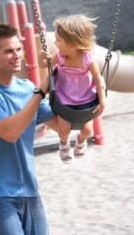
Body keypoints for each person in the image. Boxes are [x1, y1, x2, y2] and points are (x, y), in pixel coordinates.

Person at [0, 23, 58, 235]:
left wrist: (85, 92)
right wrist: (41, 91)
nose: (16, 55)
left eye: (18, 49)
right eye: (8, 51)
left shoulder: (26, 89)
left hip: (29, 188)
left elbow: (62, 127)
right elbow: (10, 133)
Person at [39, 14, 106, 164]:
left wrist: (102, 100)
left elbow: (98, 79)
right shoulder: (60, 56)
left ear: (72, 44)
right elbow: (45, 65)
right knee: (64, 130)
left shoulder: (87, 59)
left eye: (58, 40)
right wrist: (41, 58)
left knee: (88, 130)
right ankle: (64, 144)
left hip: (86, 98)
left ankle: (81, 141)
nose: (55, 43)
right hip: (64, 97)